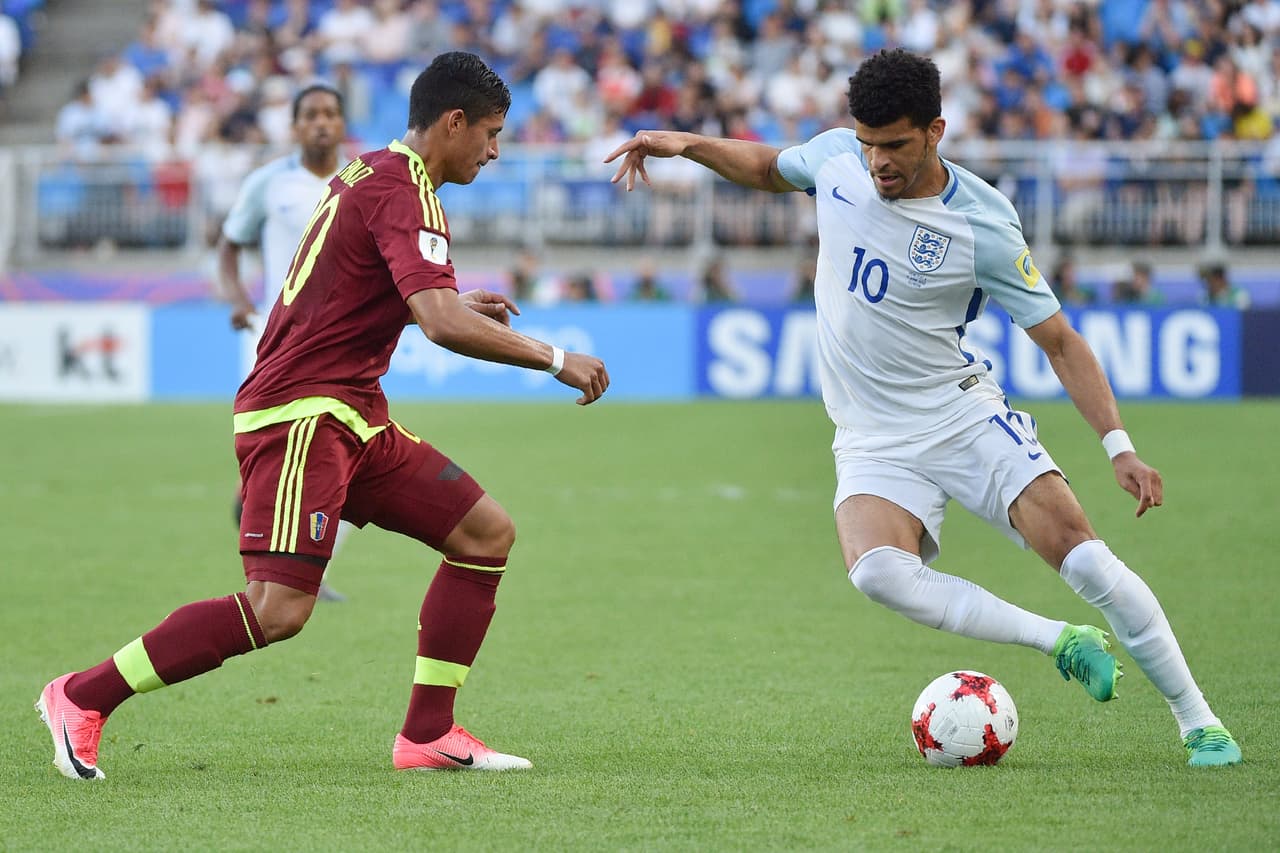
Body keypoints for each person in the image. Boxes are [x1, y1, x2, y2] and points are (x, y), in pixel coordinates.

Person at [606, 48, 1240, 767]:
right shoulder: (837, 158)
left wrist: (1118, 445)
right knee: (876, 570)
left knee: (1087, 561)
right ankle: (1058, 639)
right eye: (869, 142)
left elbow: (1060, 340)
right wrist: (684, 143)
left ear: (935, 131)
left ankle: (1200, 721)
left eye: (896, 145)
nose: (877, 160)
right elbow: (764, 167)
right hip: (871, 435)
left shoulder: (983, 223)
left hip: (958, 415)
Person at [38, 51, 610, 781]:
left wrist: (448, 303)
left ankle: (428, 732)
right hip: (303, 411)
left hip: (352, 412)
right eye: (491, 133)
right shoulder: (406, 190)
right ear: (454, 121)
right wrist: (557, 357)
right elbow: (437, 324)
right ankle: (80, 696)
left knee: (483, 532)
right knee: (277, 608)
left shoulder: (375, 171)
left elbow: (354, 292)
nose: (496, 151)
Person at [217, 83, 352, 602]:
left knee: (338, 452)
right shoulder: (269, 183)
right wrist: (235, 298)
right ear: (295, 126)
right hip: (274, 341)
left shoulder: (358, 179)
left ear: (342, 124)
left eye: (331, 114)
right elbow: (229, 245)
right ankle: (274, 568)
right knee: (283, 457)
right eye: (311, 115)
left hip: (340, 343)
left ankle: (302, 575)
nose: (322, 122)